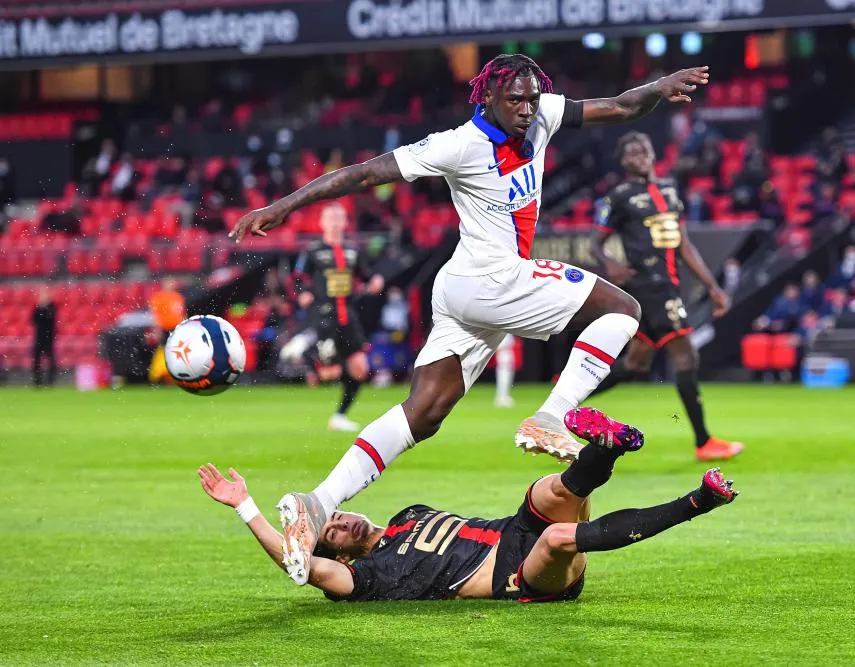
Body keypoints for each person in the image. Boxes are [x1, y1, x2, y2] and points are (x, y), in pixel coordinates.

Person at [230, 54, 711, 585]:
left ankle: (316, 501)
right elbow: (366, 173)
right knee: (624, 310)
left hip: (466, 289)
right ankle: (553, 415)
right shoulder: (459, 143)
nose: (527, 109)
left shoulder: (545, 114)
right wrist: (285, 206)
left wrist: (661, 86)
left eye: (532, 98)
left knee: (426, 411)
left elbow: (620, 107)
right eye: (515, 101)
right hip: (490, 279)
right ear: (488, 99)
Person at [198, 408, 738, 598]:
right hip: (519, 576)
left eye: (333, 515)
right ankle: (697, 500)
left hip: (512, 527)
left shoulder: (407, 516)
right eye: (330, 532)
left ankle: (607, 448)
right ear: (338, 557)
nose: (335, 518)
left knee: (549, 492)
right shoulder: (367, 580)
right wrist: (248, 508)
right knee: (558, 537)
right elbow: (299, 567)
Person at [587, 131, 743, 461]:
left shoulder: (670, 189)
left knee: (635, 363)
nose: (638, 156)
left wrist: (713, 287)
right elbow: (594, 244)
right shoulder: (619, 197)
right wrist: (610, 264)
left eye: (642, 150)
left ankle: (564, 402)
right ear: (623, 161)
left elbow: (683, 244)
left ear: (652, 154)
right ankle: (704, 442)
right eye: (630, 153)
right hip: (649, 285)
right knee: (687, 356)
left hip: (668, 284)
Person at [295, 202, 385, 432]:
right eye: (331, 218)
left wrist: (375, 281)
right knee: (328, 374)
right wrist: (303, 293)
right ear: (322, 222)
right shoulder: (313, 251)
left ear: (345, 222)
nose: (335, 223)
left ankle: (339, 416)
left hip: (349, 315)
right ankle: (306, 353)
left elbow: (366, 275)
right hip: (324, 314)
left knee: (360, 369)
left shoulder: (353, 251)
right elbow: (297, 278)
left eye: (339, 218)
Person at [31, 287, 56, 387]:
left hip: (48, 338)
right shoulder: (37, 309)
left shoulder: (51, 308)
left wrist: (44, 308)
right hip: (39, 338)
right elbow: (33, 320)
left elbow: (50, 320)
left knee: (50, 360)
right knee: (36, 359)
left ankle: (50, 381)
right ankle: (37, 381)